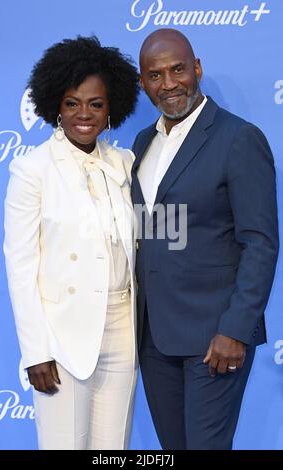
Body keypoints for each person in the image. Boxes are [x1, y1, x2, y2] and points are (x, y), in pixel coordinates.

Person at [131, 28, 279, 450]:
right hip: (154, 339)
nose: (168, 83)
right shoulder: (143, 143)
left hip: (215, 339)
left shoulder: (238, 138)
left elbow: (261, 242)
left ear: (196, 69)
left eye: (177, 69)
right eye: (155, 75)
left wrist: (236, 329)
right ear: (143, 83)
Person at [4, 36, 140, 450]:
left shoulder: (123, 164)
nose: (84, 114)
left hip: (123, 328)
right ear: (54, 107)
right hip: (62, 337)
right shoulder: (32, 170)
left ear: (111, 106)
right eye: (71, 103)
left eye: (95, 104)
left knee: (112, 449)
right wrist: (36, 352)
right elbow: (21, 264)